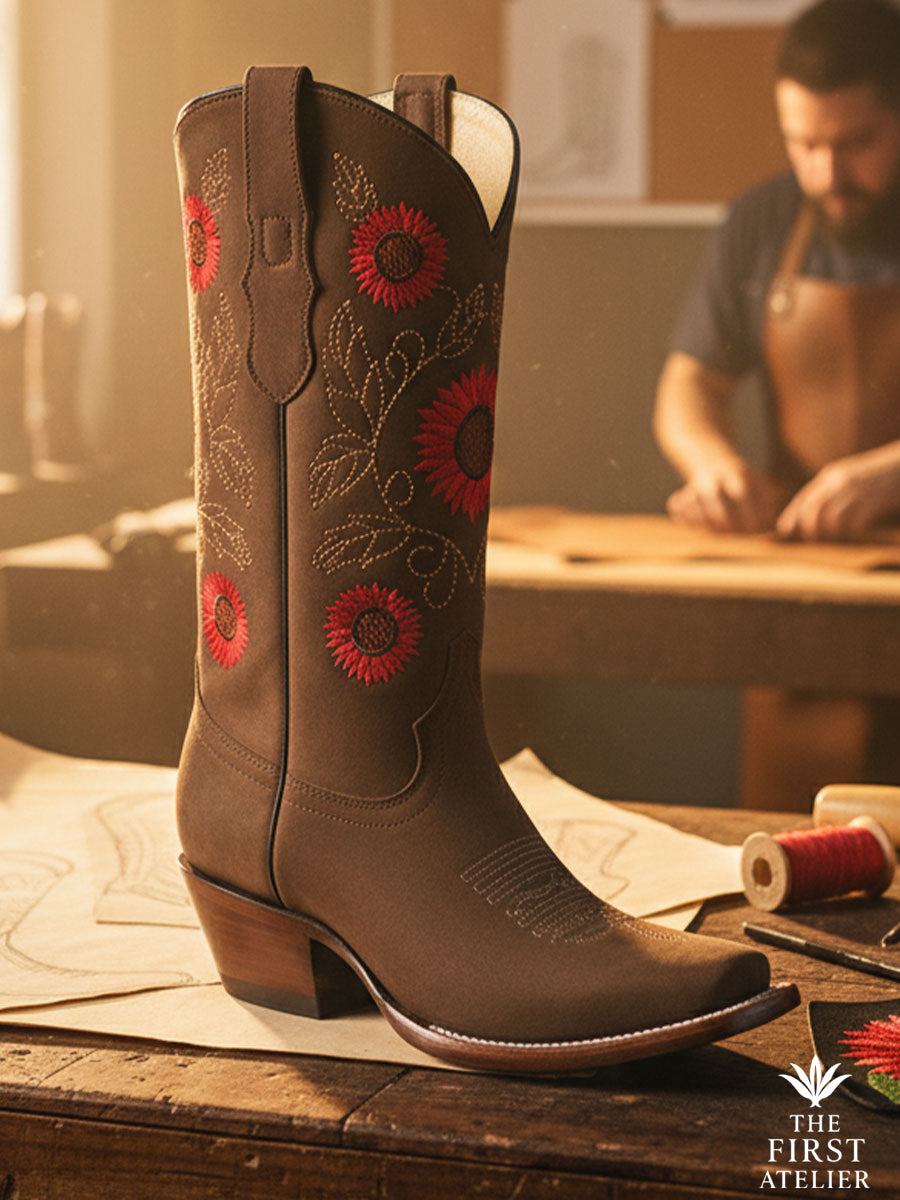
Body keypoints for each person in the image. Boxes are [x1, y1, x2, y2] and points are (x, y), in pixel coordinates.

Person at [654, 0, 900, 542]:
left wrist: (893, 476)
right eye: (806, 144)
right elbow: (688, 384)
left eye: (858, 143)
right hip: (806, 552)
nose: (829, 173)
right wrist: (713, 464)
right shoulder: (763, 220)